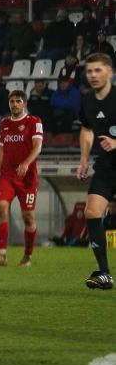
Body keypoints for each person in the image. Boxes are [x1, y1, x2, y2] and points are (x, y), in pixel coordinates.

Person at [0, 89, 43, 268]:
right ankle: (2, 254)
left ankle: (27, 256)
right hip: (8, 176)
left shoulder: (34, 122)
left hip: (27, 178)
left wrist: (26, 163)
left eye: (18, 101)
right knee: (1, 208)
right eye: (12, 101)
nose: (15, 104)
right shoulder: (4, 123)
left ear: (24, 103)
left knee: (28, 217)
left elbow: (37, 147)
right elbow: (2, 150)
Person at [77, 53, 116, 289]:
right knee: (91, 212)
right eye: (90, 71)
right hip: (106, 166)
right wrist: (83, 158)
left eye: (98, 70)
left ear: (110, 72)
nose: (93, 75)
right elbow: (87, 129)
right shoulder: (88, 100)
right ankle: (105, 274)